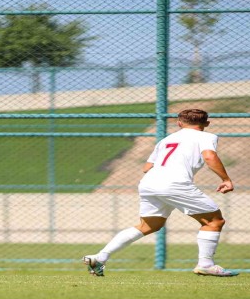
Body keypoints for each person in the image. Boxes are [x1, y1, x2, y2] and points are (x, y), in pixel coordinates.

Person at [83, 108, 238, 277]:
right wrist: (225, 179)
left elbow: (146, 167)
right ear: (207, 123)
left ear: (179, 123)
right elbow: (209, 156)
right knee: (214, 221)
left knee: (149, 225)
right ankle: (206, 264)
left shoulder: (166, 140)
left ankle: (100, 257)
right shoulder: (207, 136)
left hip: (149, 183)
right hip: (174, 184)